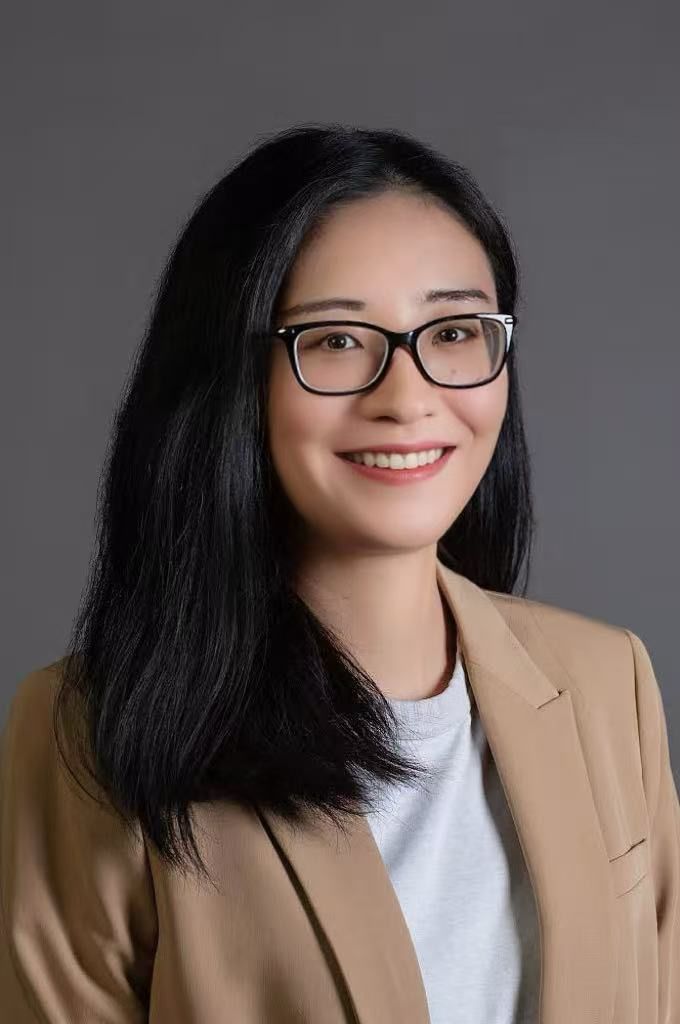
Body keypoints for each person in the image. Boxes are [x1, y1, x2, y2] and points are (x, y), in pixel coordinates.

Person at [1, 123, 678, 1024]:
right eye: (334, 341)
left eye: (454, 331)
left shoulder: (607, 682)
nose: (407, 397)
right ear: (233, 377)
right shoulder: (92, 729)